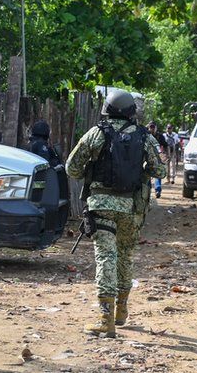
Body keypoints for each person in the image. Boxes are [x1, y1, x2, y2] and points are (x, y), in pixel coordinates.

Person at [66, 89, 164, 337]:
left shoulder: (97, 133)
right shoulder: (144, 136)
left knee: (106, 257)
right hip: (132, 208)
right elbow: (159, 171)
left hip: (102, 206)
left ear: (106, 110)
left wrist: (93, 167)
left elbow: (72, 168)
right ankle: (121, 310)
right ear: (132, 112)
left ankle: (105, 319)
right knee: (125, 256)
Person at [146, 121, 164, 198]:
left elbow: (164, 146)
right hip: (146, 158)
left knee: (158, 173)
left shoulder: (160, 136)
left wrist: (164, 156)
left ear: (156, 128)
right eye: (151, 127)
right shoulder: (145, 135)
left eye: (153, 127)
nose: (152, 129)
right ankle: (147, 191)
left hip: (157, 158)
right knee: (146, 175)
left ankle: (157, 190)